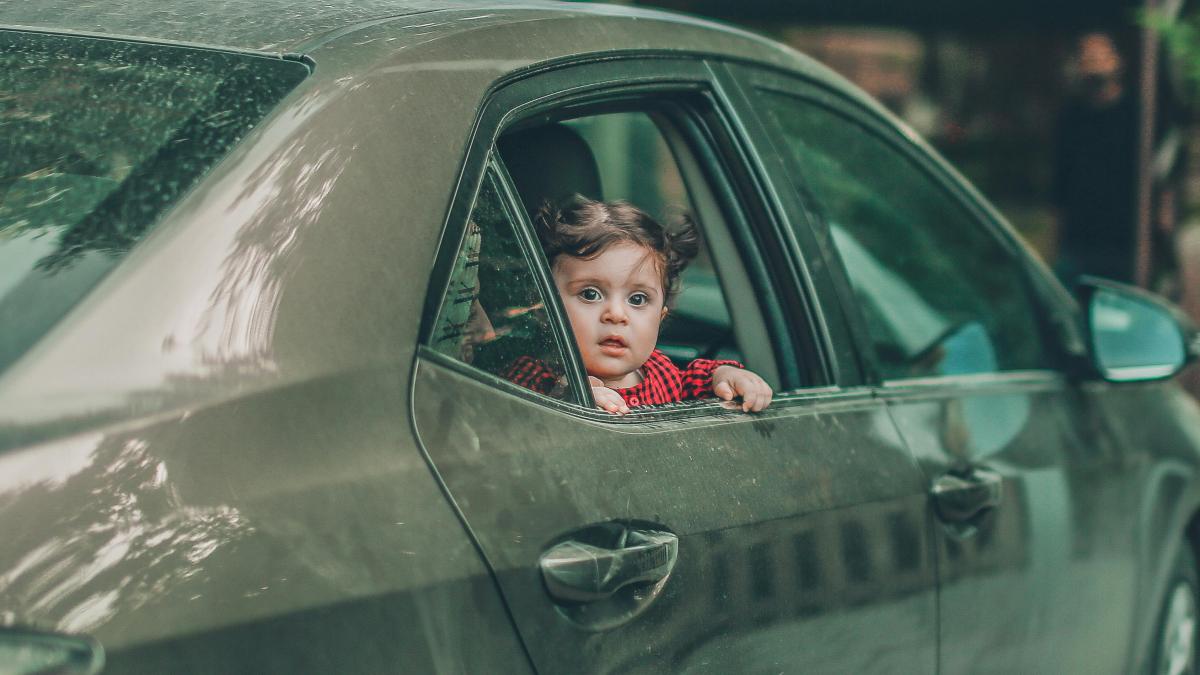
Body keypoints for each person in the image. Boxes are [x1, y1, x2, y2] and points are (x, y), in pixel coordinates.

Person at [509, 196, 773, 414]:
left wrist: (724, 375)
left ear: (660, 317)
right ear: (545, 309)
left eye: (637, 299)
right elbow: (516, 421)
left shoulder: (660, 372)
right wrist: (565, 400)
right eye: (590, 294)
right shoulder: (533, 378)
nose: (616, 315)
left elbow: (692, 381)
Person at [1052, 32, 1139, 284]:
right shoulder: (1071, 116)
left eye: (1101, 57)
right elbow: (1060, 180)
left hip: (1123, 239)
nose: (1095, 65)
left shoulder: (1136, 115)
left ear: (1117, 61)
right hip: (1079, 238)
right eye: (1088, 58)